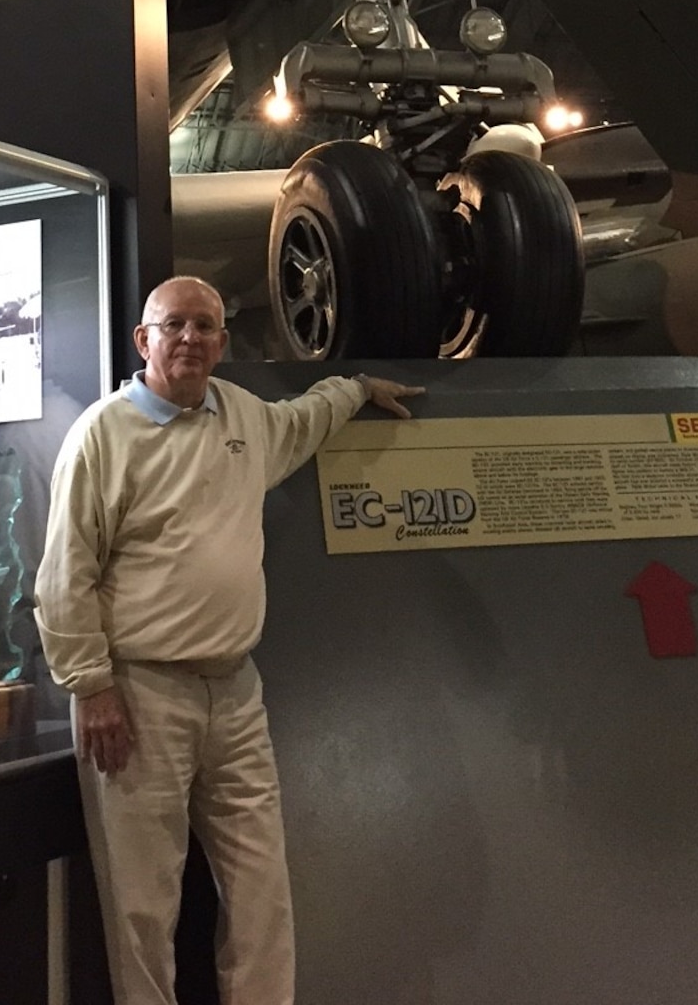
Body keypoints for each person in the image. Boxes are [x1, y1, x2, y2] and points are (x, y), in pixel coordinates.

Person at [35, 274, 421, 1005]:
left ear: (222, 341)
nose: (190, 339)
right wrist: (90, 685)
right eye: (174, 326)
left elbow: (303, 418)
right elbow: (63, 575)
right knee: (142, 907)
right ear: (143, 340)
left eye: (205, 327)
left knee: (261, 891)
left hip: (236, 695)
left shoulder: (242, 415)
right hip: (141, 700)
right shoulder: (102, 434)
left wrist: (357, 387)